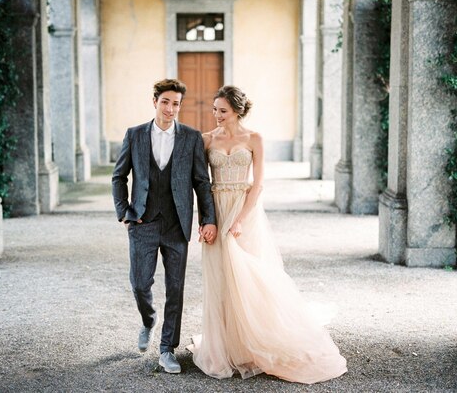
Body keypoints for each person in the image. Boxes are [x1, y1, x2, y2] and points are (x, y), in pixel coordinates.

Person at [187, 85, 347, 384]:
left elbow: (258, 184)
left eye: (222, 110)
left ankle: (254, 341)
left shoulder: (254, 139)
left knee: (249, 277)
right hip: (217, 211)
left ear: (236, 110)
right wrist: (208, 220)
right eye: (214, 110)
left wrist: (240, 220)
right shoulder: (206, 139)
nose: (216, 115)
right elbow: (199, 184)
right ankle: (226, 346)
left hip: (245, 211)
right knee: (221, 278)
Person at [112, 78, 217, 374]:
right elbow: (119, 177)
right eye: (166, 102)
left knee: (176, 288)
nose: (171, 109)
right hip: (142, 222)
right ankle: (148, 320)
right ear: (155, 101)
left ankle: (167, 349)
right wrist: (124, 212)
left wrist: (208, 219)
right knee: (139, 283)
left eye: (176, 104)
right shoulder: (134, 135)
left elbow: (201, 181)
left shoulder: (191, 138)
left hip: (176, 225)